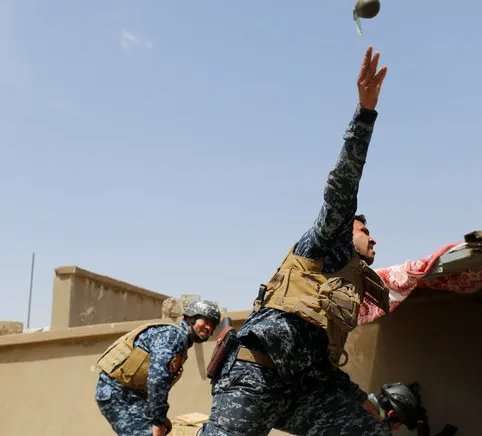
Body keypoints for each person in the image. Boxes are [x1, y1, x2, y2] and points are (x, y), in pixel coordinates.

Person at [202, 46, 392, 436]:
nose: (371, 238)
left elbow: (320, 363)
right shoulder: (325, 242)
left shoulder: (350, 283)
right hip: (256, 372)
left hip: (302, 389)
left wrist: (364, 403)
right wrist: (365, 112)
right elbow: (343, 184)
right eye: (364, 230)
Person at [95, 299, 221, 436]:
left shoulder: (178, 339)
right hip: (118, 393)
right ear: (191, 317)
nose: (208, 328)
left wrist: (160, 417)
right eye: (206, 321)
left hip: (125, 394)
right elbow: (157, 379)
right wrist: (158, 420)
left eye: (212, 325)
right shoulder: (174, 336)